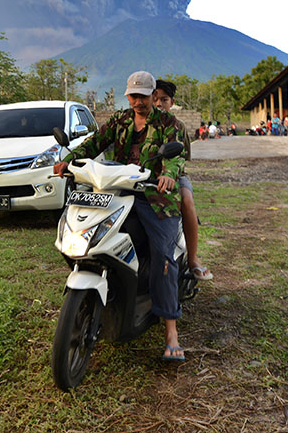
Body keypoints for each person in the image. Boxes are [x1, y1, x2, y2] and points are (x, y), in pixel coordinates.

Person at [54, 71, 187, 362]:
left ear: (154, 95)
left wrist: (167, 175)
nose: (138, 101)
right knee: (88, 236)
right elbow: (94, 143)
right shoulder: (120, 120)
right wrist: (68, 160)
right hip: (116, 191)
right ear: (127, 96)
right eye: (133, 96)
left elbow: (175, 158)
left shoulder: (169, 124)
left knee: (163, 255)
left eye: (143, 95)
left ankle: (171, 332)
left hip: (154, 196)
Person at [153, 79, 212, 282]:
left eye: (164, 99)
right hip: (143, 176)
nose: (159, 103)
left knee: (186, 199)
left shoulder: (178, 126)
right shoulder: (139, 123)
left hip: (176, 176)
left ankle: (193, 258)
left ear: (172, 102)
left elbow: (182, 158)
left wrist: (169, 173)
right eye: (155, 99)